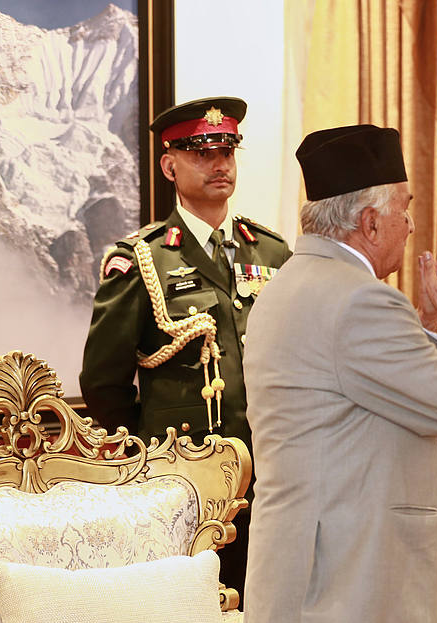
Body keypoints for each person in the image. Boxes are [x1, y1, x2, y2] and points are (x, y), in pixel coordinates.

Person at [238, 124, 437, 623]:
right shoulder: (360, 301)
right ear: (371, 221)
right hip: (349, 606)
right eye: (405, 208)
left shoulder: (286, 285)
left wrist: (425, 326)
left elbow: (373, 392)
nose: (411, 224)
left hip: (308, 601)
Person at [79, 96, 292, 597]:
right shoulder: (140, 259)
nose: (220, 164)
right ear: (169, 165)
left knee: (271, 621)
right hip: (185, 488)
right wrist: (148, 457)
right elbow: (102, 382)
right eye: (202, 153)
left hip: (274, 480)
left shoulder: (273, 252)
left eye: (228, 151)